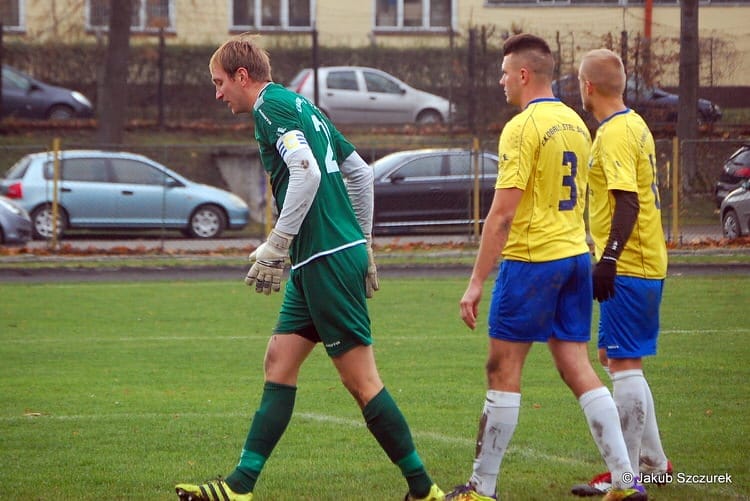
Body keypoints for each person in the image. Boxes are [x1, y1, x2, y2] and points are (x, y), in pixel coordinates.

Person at [175, 34, 444, 501]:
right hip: (324, 256)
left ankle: (424, 489)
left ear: (243, 76)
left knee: (361, 381)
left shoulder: (268, 109)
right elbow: (359, 173)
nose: (217, 94)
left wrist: (277, 242)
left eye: (219, 83)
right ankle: (240, 486)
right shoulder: (302, 106)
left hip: (323, 257)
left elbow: (308, 172)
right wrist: (364, 244)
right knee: (279, 361)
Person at [446, 34, 646, 501]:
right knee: (575, 364)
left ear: (522, 74)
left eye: (503, 72)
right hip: (576, 257)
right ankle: (626, 479)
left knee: (502, 368)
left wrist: (475, 283)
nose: (499, 81)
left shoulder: (523, 126)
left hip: (533, 261)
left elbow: (502, 214)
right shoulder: (576, 121)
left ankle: (482, 488)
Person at [570, 48, 671, 497]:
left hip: (631, 264)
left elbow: (627, 201)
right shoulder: (633, 124)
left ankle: (624, 477)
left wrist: (609, 258)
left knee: (624, 363)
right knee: (615, 358)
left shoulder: (612, 134)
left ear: (587, 87)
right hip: (643, 259)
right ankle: (653, 462)